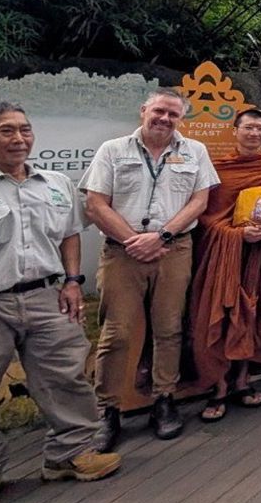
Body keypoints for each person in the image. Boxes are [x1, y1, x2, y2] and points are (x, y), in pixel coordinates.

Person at [0, 103, 122, 503]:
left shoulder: (54, 185)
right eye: (6, 131)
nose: (18, 139)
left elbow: (70, 234)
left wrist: (73, 281)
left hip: (46, 298)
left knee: (65, 377)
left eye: (24, 130)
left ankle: (69, 455)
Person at [81, 89, 218, 450]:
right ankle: (107, 409)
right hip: (122, 252)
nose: (165, 119)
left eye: (173, 114)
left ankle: (164, 399)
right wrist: (134, 241)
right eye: (159, 111)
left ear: (181, 119)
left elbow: (200, 201)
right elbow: (96, 204)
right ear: (144, 110)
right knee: (118, 332)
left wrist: (162, 235)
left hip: (174, 249)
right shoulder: (113, 150)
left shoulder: (194, 151)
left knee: (169, 328)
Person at [188, 108, 261, 423]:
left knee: (252, 312)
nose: (255, 134)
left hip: (260, 254)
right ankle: (218, 386)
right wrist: (235, 235)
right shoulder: (218, 168)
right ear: (235, 131)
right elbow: (204, 215)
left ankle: (242, 380)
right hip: (221, 253)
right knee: (218, 314)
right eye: (249, 128)